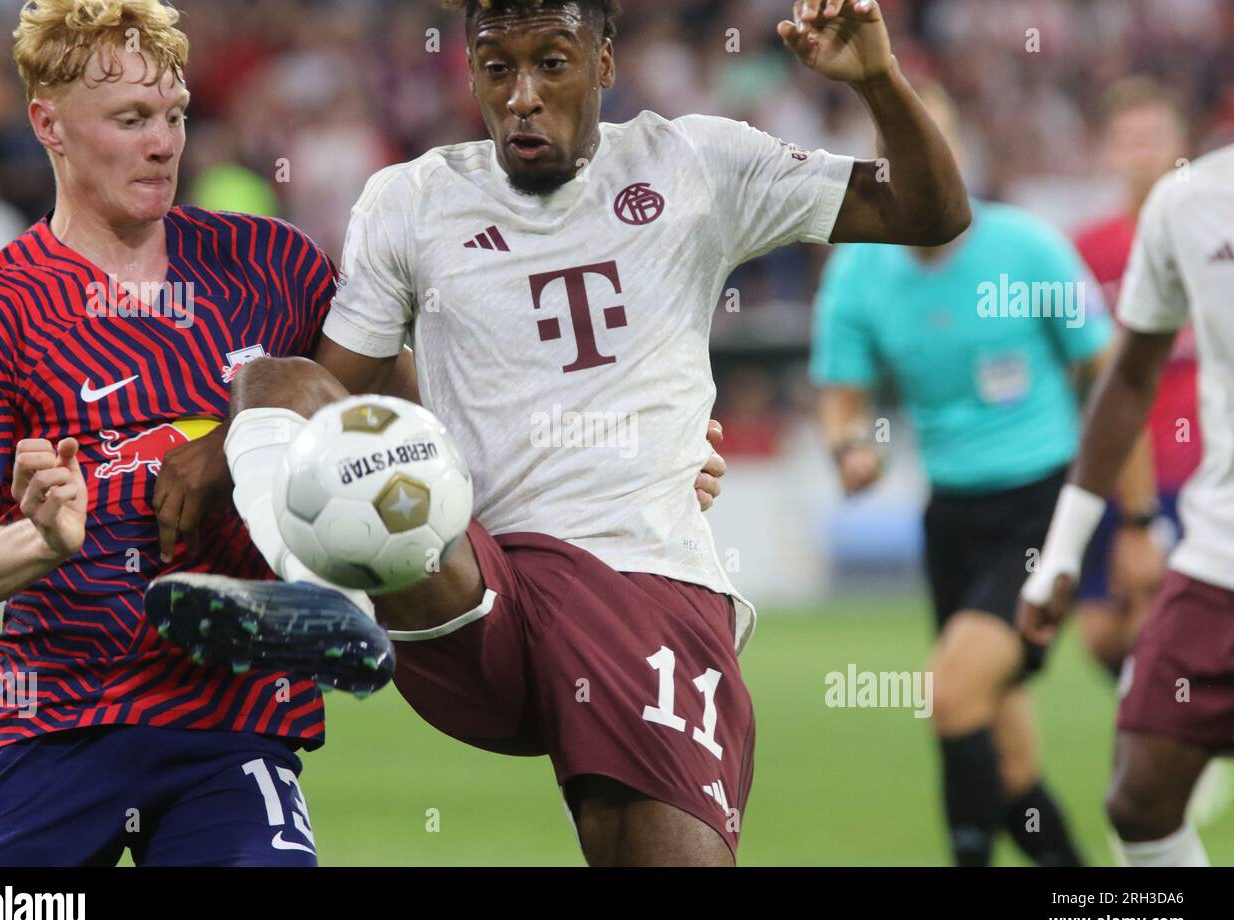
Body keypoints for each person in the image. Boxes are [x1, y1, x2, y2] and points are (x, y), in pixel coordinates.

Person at [151, 0, 969, 866]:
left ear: (605, 63)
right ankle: (320, 602)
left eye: (552, 62)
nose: (522, 96)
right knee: (273, 378)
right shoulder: (412, 201)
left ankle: (337, 599)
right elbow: (330, 392)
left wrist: (877, 79)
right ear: (467, 72)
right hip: (481, 587)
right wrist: (222, 444)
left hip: (643, 581)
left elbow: (931, 212)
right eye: (496, 68)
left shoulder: (696, 161)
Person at [0, 0, 397, 867]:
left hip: (231, 729)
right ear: (49, 124)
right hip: (51, 727)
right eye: (132, 119)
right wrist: (39, 543)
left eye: (177, 115)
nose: (165, 143)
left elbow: (409, 416)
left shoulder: (276, 267)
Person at [810, 84, 1144, 866]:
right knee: (1008, 760)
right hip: (952, 519)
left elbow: (1113, 383)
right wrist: (850, 446)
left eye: (937, 144)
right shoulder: (859, 273)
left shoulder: (1027, 250)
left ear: (961, 156)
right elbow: (843, 396)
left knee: (951, 693)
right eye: (902, 153)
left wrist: (1132, 523)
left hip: (1043, 508)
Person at [1019, 141, 1234, 867]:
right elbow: (1129, 376)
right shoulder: (1192, 202)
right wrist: (1062, 551)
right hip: (1219, 552)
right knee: (1138, 798)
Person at [1072, 77, 1193, 678]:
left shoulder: (1213, 241)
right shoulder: (1085, 252)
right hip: (1114, 471)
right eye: (1128, 139)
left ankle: (1175, 755)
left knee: (1166, 633)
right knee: (1101, 634)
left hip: (1198, 469)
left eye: (1153, 137)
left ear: (1181, 143)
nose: (1141, 151)